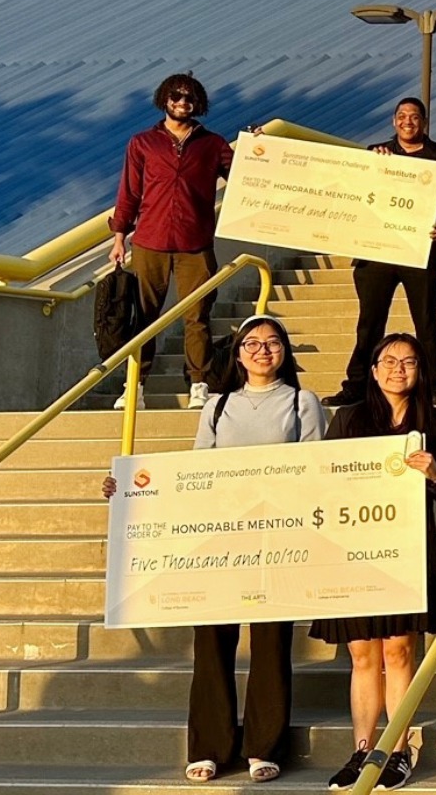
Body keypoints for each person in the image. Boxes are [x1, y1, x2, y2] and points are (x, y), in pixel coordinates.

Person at [100, 314, 324, 783]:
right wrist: (126, 491)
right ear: (238, 355)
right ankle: (210, 745)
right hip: (220, 538)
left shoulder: (304, 402)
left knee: (270, 642)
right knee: (212, 640)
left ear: (285, 350)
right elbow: (193, 478)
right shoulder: (217, 408)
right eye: (252, 342)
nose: (263, 350)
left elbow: (315, 469)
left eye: (272, 342)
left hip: (276, 538)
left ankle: (263, 746)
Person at [313, 332, 436, 791]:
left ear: (421, 371)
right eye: (390, 360)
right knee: (362, 655)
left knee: (398, 651)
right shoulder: (348, 419)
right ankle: (363, 750)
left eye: (410, 361)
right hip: (354, 549)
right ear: (374, 368)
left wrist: (434, 471)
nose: (399, 368)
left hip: (408, 549)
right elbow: (325, 479)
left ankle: (396, 751)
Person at [326, 97, 436, 408]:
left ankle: (432, 387)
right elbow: (356, 195)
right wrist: (373, 166)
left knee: (426, 323)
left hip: (421, 253)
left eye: (414, 116)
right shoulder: (377, 154)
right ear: (394, 122)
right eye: (401, 116)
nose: (408, 121)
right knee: (369, 323)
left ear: (424, 123)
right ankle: (357, 384)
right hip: (377, 253)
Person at [108, 72, 234, 409]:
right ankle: (135, 386)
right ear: (164, 98)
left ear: (198, 104)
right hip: (150, 241)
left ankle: (199, 383)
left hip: (196, 243)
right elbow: (129, 193)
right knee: (144, 317)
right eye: (176, 96)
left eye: (189, 98)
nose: (182, 102)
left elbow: (245, 177)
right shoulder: (142, 143)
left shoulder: (213, 144)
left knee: (197, 316)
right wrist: (119, 237)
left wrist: (258, 148)